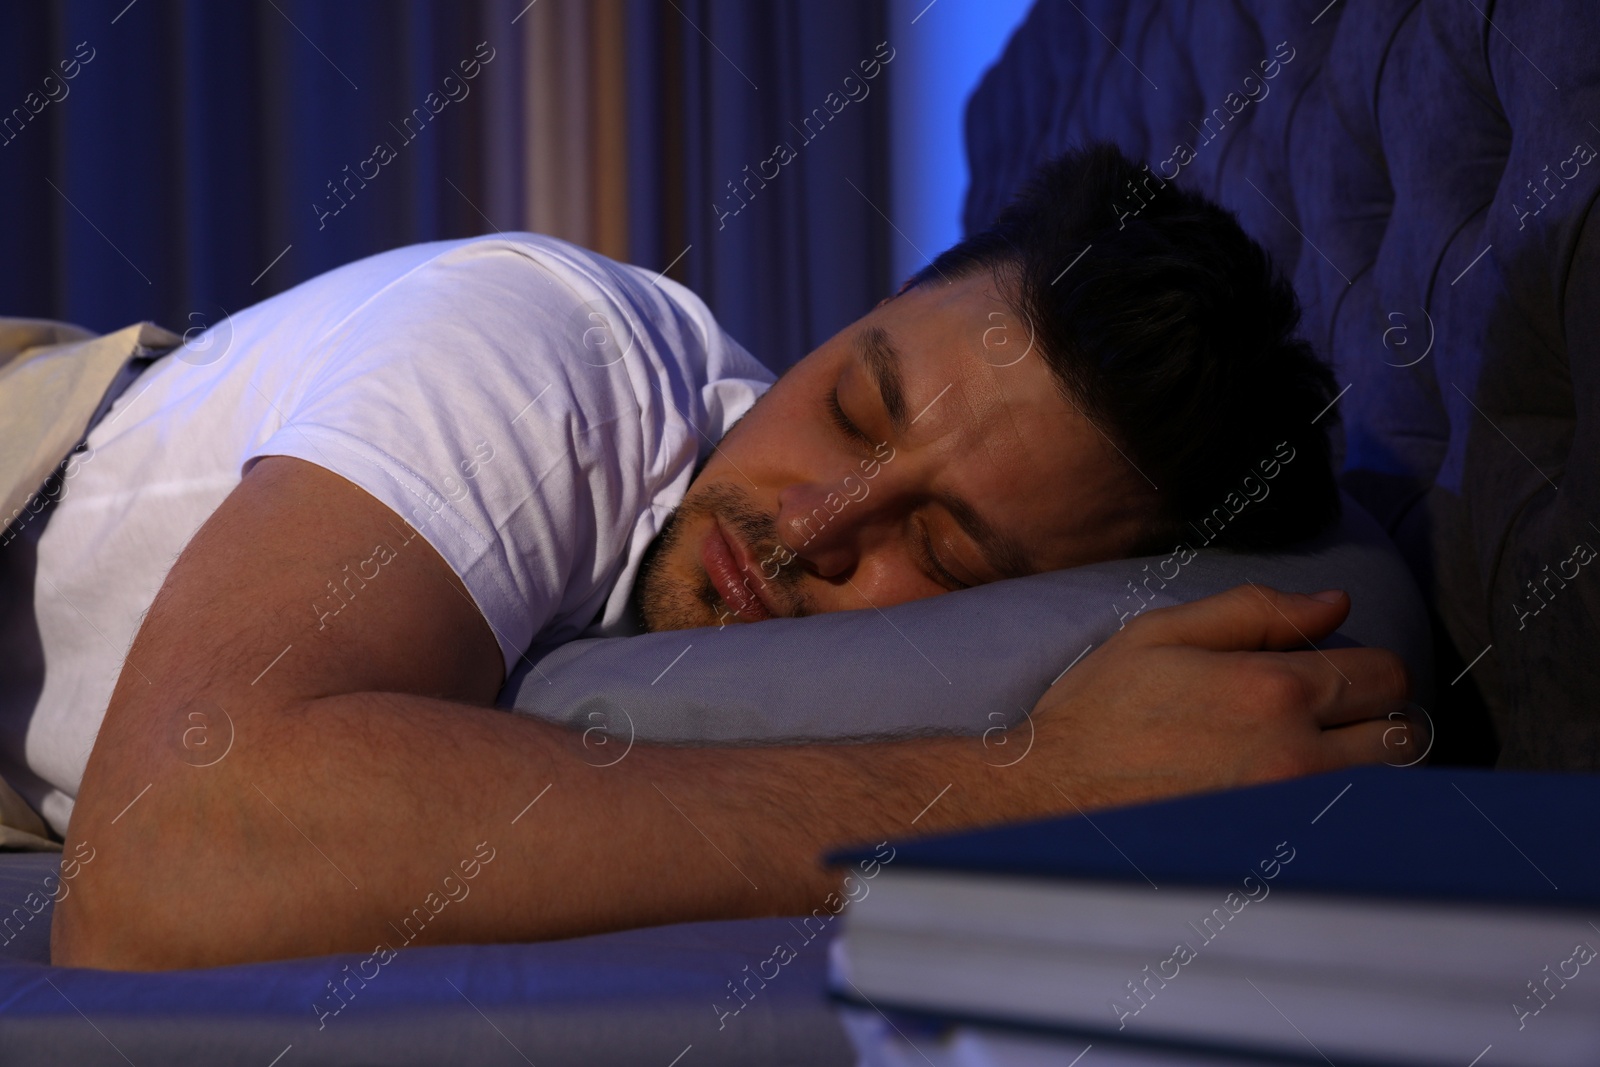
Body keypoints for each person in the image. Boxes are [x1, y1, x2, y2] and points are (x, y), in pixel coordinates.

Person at [36, 144, 1409, 970]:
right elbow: (170, 860)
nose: (812, 527)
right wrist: (1040, 784)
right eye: (854, 409)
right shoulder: (542, 367)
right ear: (847, 323)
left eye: (935, 549)